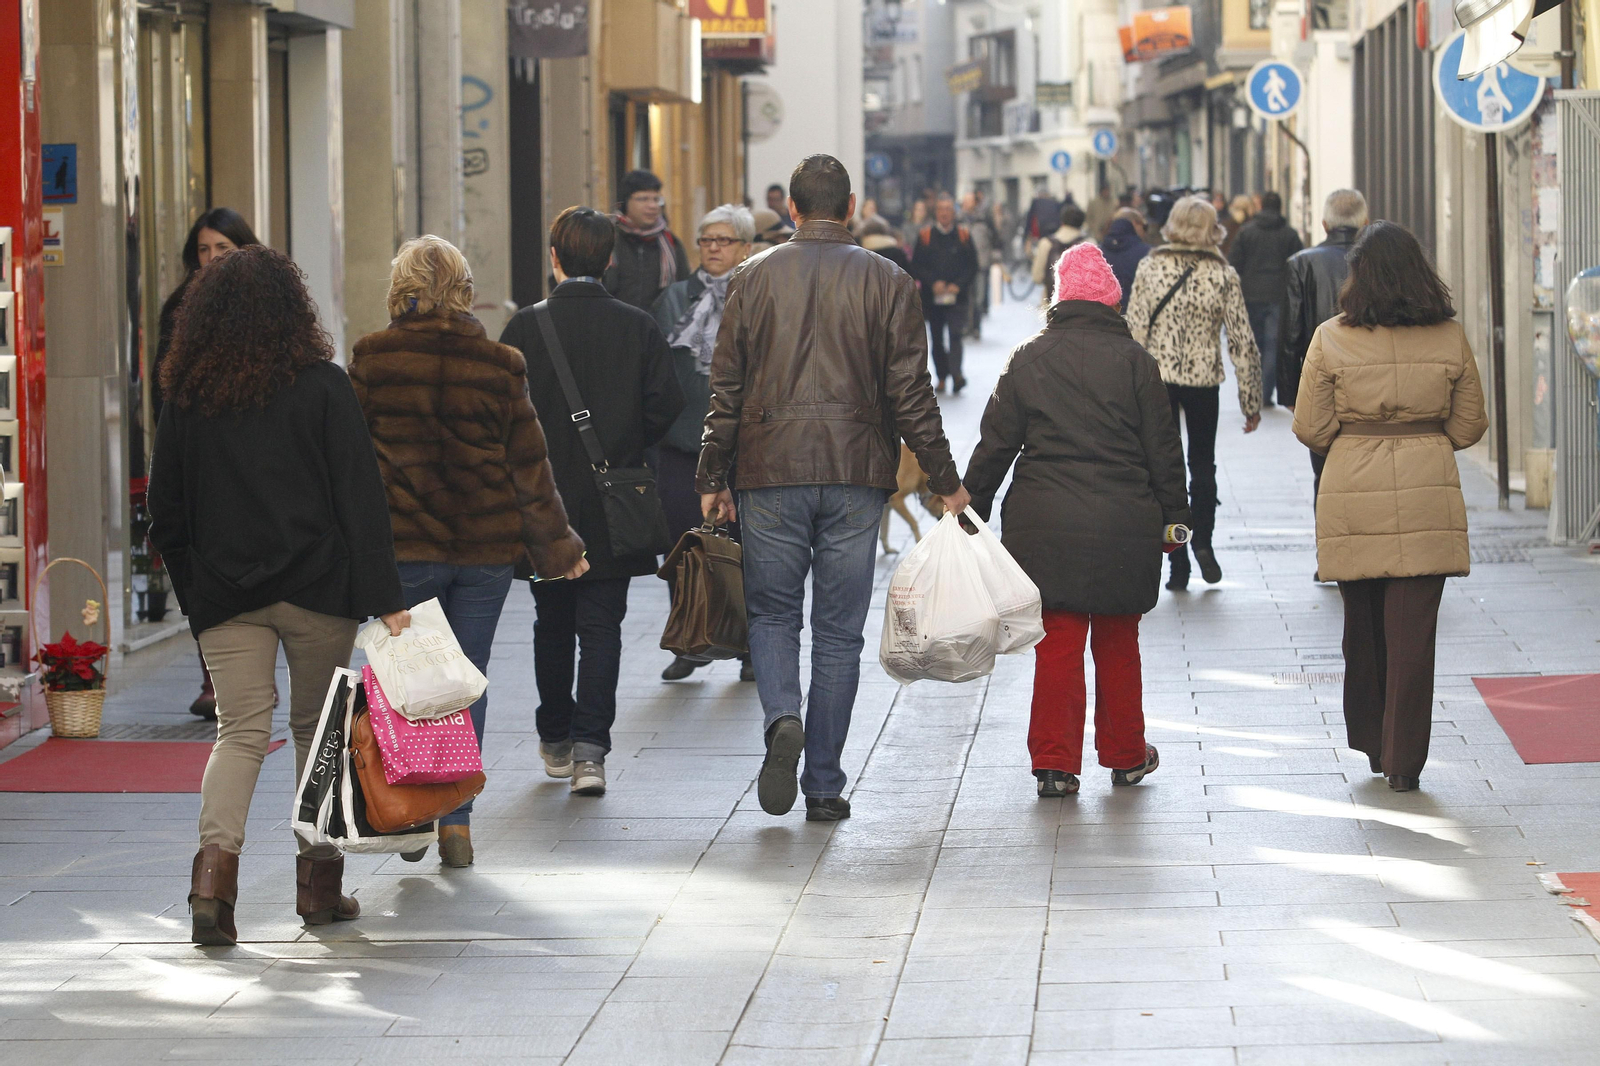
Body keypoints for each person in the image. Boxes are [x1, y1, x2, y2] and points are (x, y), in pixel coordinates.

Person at [148, 245, 409, 946]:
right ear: (293, 310)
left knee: (239, 732)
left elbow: (165, 512)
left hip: (227, 595)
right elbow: (361, 500)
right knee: (314, 733)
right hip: (318, 589)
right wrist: (384, 595)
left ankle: (213, 885)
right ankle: (318, 889)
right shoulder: (323, 386)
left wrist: (198, 591)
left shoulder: (187, 397)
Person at [697, 154, 967, 823]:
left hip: (769, 470)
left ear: (792, 210)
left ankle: (782, 715)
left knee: (773, 615)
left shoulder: (750, 280)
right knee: (839, 635)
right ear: (849, 207)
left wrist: (711, 475)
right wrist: (945, 480)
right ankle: (822, 781)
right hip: (855, 473)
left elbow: (724, 388)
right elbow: (912, 394)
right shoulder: (890, 281)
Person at [350, 235, 589, 868]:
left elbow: (354, 470)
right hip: (484, 549)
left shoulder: (371, 361)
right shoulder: (500, 363)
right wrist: (558, 548)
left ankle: (411, 812)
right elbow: (527, 467)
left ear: (401, 286)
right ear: (463, 289)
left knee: (402, 679)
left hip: (406, 548)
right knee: (464, 679)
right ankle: (455, 820)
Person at [965, 243, 1188, 797]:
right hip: (1124, 522)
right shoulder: (1137, 361)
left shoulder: (1028, 357)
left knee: (1058, 643)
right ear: (1112, 300)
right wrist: (1176, 521)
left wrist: (973, 508)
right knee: (1118, 639)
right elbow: (1164, 450)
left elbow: (996, 442)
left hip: (1044, 523)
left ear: (1059, 298)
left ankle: (1056, 764)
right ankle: (1126, 754)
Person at [1291, 221, 1487, 792]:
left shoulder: (1331, 337)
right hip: (1428, 484)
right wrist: (1425, 438)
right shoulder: (1448, 335)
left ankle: (1373, 743)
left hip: (1353, 485)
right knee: (1413, 634)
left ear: (1359, 277)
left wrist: (1359, 437)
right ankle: (1405, 762)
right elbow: (1471, 422)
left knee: (1364, 629)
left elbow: (1310, 425)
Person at [500, 207, 684, 799]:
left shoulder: (524, 329)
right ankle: (590, 752)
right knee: (602, 627)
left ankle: (553, 735)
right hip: (614, 502)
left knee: (550, 621)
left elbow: (501, 415)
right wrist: (626, 448)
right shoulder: (637, 325)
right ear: (608, 260)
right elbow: (666, 403)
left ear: (554, 258)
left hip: (542, 502)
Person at [153, 208, 261, 724]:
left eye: (223, 248)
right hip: (200, 458)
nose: (213, 258)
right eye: (204, 249)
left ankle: (248, 675)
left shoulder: (271, 307)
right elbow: (163, 389)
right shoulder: (179, 310)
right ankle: (215, 679)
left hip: (259, 461)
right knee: (207, 563)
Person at [1126, 195, 1262, 591]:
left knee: (1163, 470)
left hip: (1158, 381)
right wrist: (1250, 401)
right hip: (1204, 380)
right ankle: (1204, 541)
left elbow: (1135, 332)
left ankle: (1178, 560)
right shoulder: (1223, 273)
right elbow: (1242, 340)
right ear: (1211, 228)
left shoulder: (1150, 267)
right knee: (1203, 464)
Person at [651, 204, 757, 684]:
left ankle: (753, 645)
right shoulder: (672, 299)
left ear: (745, 248)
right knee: (684, 545)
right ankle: (691, 639)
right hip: (682, 443)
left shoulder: (758, 293)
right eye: (706, 240)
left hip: (745, 447)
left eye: (725, 240)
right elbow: (652, 372)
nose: (714, 248)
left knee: (749, 549)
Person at [1280, 188, 1368, 520]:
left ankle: (1328, 549)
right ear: (1365, 222)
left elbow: (1290, 335)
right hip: (1369, 377)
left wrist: (1289, 393)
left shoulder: (1301, 263)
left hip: (1320, 381)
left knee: (1325, 471)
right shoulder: (1375, 261)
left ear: (1324, 223)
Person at [1228, 190, 1302, 406]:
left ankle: (1253, 389)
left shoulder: (1246, 232)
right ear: (1280, 208)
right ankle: (1265, 392)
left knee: (1254, 344)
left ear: (1260, 208)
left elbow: (1234, 263)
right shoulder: (1289, 234)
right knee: (1273, 345)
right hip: (1279, 296)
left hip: (1250, 295)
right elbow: (1298, 266)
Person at [910, 194, 980, 395]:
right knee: (937, 338)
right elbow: (916, 265)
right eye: (941, 209)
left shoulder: (964, 235)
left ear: (954, 212)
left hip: (958, 296)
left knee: (956, 335)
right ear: (936, 212)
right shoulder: (925, 236)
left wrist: (958, 285)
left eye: (948, 209)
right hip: (933, 298)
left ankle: (957, 374)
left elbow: (972, 265)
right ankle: (941, 376)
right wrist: (933, 283)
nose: (944, 213)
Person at [603, 169, 691, 311]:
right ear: (625, 202)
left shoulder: (671, 244)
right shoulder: (608, 239)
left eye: (656, 199)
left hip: (657, 329)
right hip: (614, 325)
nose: (652, 206)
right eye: (643, 199)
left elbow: (683, 290)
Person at [1032, 202, 1089, 303]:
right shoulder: (1089, 244)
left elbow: (1037, 277)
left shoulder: (1046, 243)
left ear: (1062, 221)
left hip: (1051, 304)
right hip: (1082, 306)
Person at [1100, 207, 1151, 313]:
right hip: (1136, 320)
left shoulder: (1097, 253)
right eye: (1144, 227)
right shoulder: (1148, 253)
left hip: (1104, 322)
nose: (1145, 232)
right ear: (1135, 224)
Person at [959, 191, 995, 339]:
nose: (967, 203)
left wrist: (993, 256)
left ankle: (976, 327)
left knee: (979, 298)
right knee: (966, 297)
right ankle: (966, 326)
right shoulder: (958, 220)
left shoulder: (985, 219)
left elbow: (994, 238)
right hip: (963, 265)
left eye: (970, 200)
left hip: (981, 263)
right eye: (965, 200)